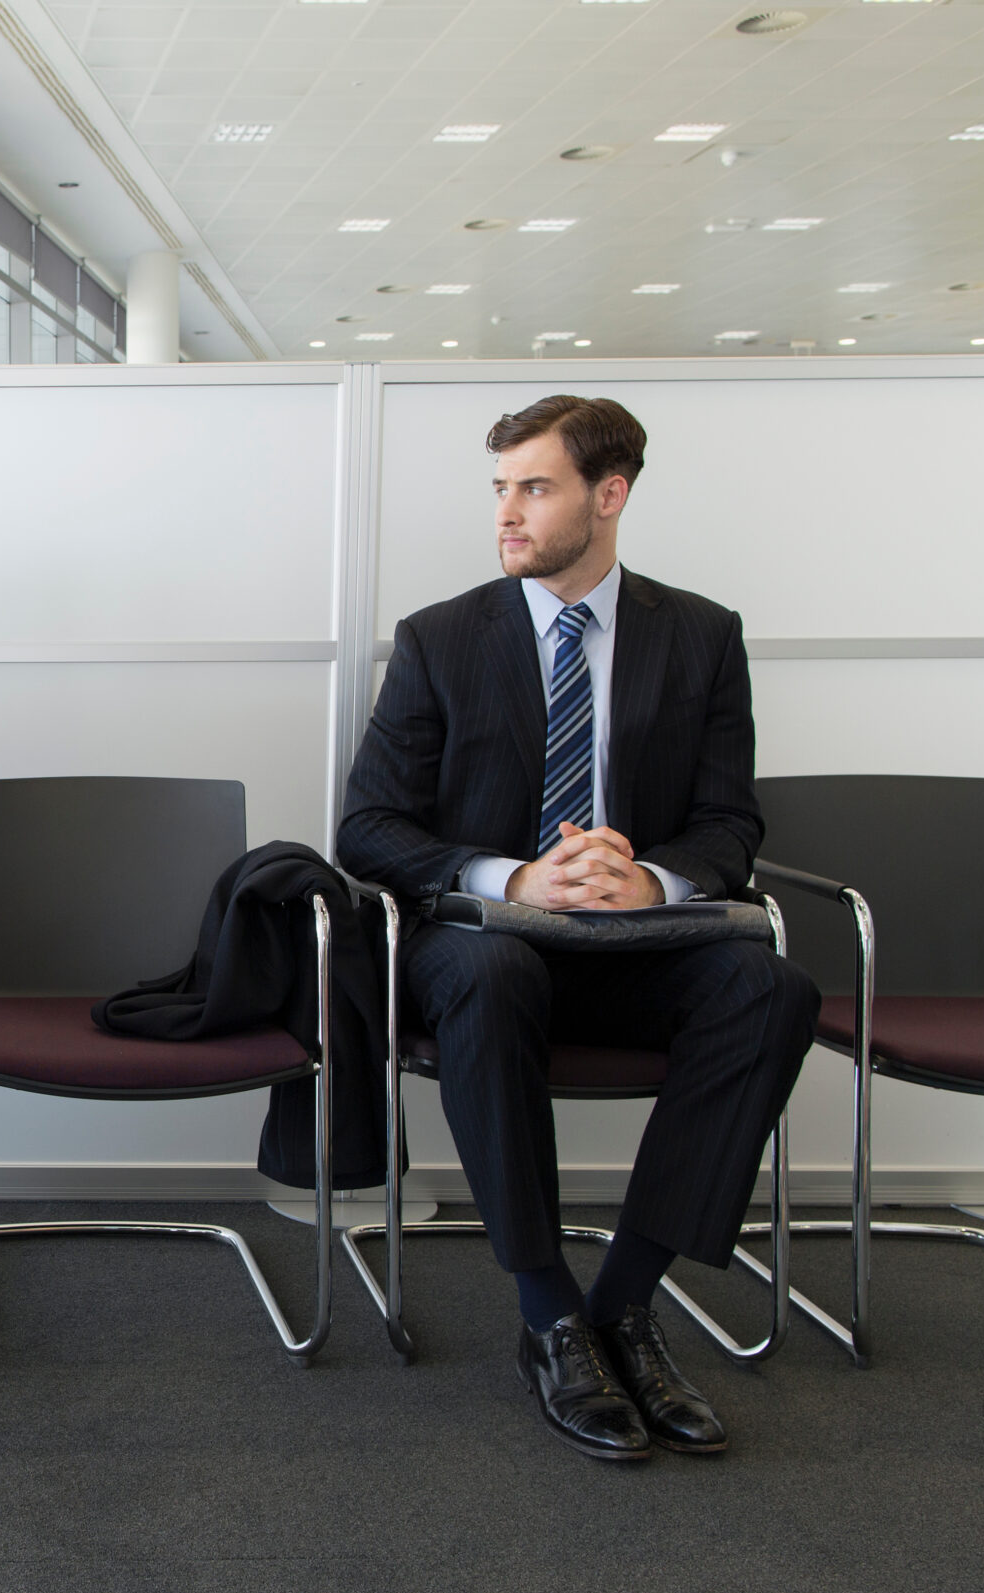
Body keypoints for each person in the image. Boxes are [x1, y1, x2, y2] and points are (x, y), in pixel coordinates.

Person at [335, 394, 818, 1462]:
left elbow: (729, 819)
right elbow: (366, 827)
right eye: (499, 488)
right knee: (492, 973)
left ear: (610, 495)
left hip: (639, 946)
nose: (506, 512)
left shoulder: (699, 636)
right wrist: (516, 880)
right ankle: (550, 1314)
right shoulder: (441, 639)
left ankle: (626, 1306)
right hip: (486, 944)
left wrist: (650, 879)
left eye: (534, 487)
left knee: (773, 990)